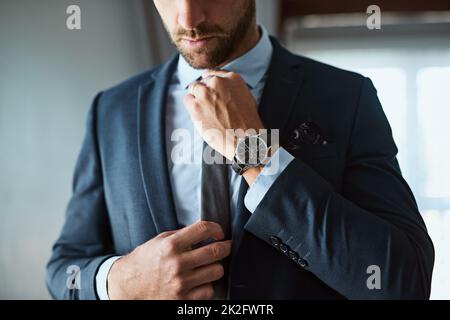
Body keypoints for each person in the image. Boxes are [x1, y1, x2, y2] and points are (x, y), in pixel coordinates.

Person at [46, 0, 434, 300]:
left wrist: (255, 153)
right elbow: (64, 268)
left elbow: (403, 280)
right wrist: (120, 280)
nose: (189, 18)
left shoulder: (347, 98)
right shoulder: (111, 110)